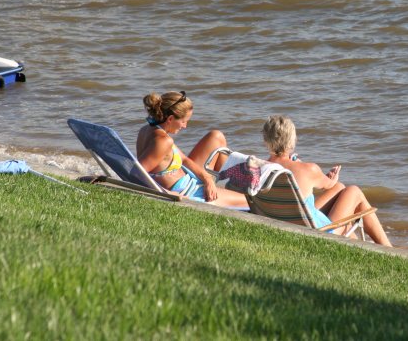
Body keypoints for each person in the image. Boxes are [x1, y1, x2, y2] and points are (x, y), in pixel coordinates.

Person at [261, 115, 393, 246]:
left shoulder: (260, 169)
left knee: (340, 188)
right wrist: (331, 177)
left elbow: (333, 186)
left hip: (285, 223)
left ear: (266, 140)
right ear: (292, 140)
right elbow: (329, 184)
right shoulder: (308, 169)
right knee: (354, 191)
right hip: (315, 233)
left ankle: (357, 244)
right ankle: (388, 248)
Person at [137, 90, 248, 208]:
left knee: (216, 137)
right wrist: (167, 193)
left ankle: (224, 187)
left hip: (188, 180)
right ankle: (226, 191)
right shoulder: (163, 141)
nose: (185, 126)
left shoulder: (148, 129)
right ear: (170, 119)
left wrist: (207, 179)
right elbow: (137, 174)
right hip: (189, 191)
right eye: (183, 121)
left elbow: (184, 159)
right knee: (249, 202)